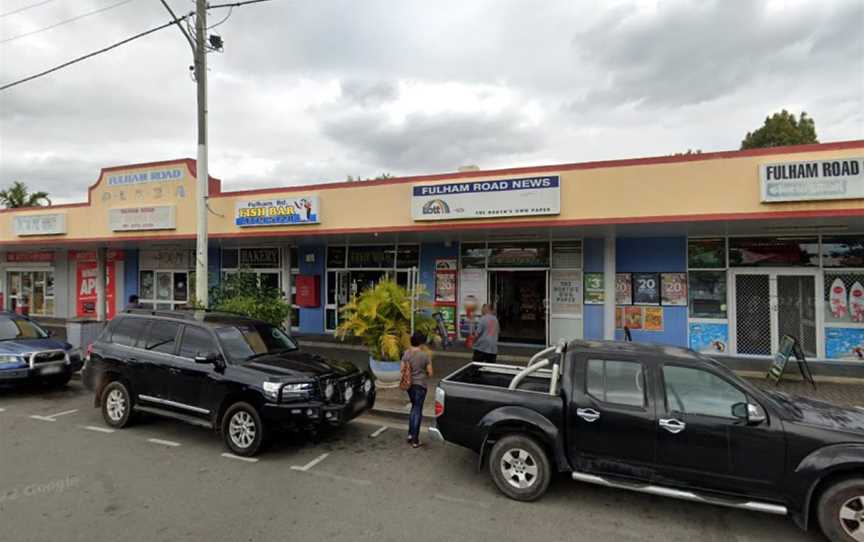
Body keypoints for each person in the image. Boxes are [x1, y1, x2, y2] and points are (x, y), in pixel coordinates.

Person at [401, 332, 433, 448]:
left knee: (414, 408)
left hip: (409, 385)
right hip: (420, 386)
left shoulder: (406, 353)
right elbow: (430, 373)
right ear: (421, 342)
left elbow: (402, 369)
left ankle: (410, 434)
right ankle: (415, 439)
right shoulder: (424, 356)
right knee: (417, 410)